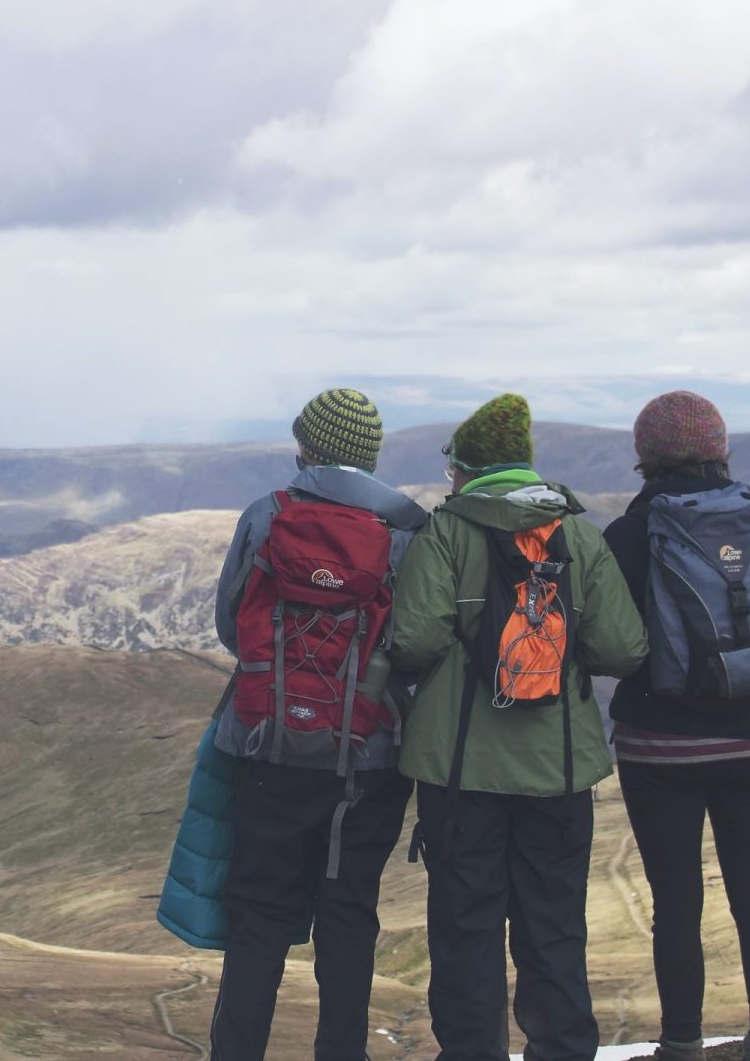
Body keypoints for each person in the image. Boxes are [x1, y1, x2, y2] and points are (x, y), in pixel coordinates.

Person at [391, 392, 648, 1061]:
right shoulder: (579, 537)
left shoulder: (445, 535)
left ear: (467, 471)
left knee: (465, 930)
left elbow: (413, 641)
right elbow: (623, 650)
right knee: (554, 928)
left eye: (453, 469)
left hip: (458, 774)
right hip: (557, 773)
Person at [199, 387, 430, 1061]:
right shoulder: (409, 531)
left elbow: (230, 625)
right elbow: (415, 647)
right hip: (368, 760)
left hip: (268, 751)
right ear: (369, 455)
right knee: (349, 917)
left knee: (259, 920)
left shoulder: (267, 517)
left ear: (305, 447)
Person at [601, 391, 750, 1061]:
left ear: (645, 458)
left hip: (659, 751)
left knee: (676, 900)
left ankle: (682, 1044)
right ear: (722, 449)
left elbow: (609, 646)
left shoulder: (629, 536)